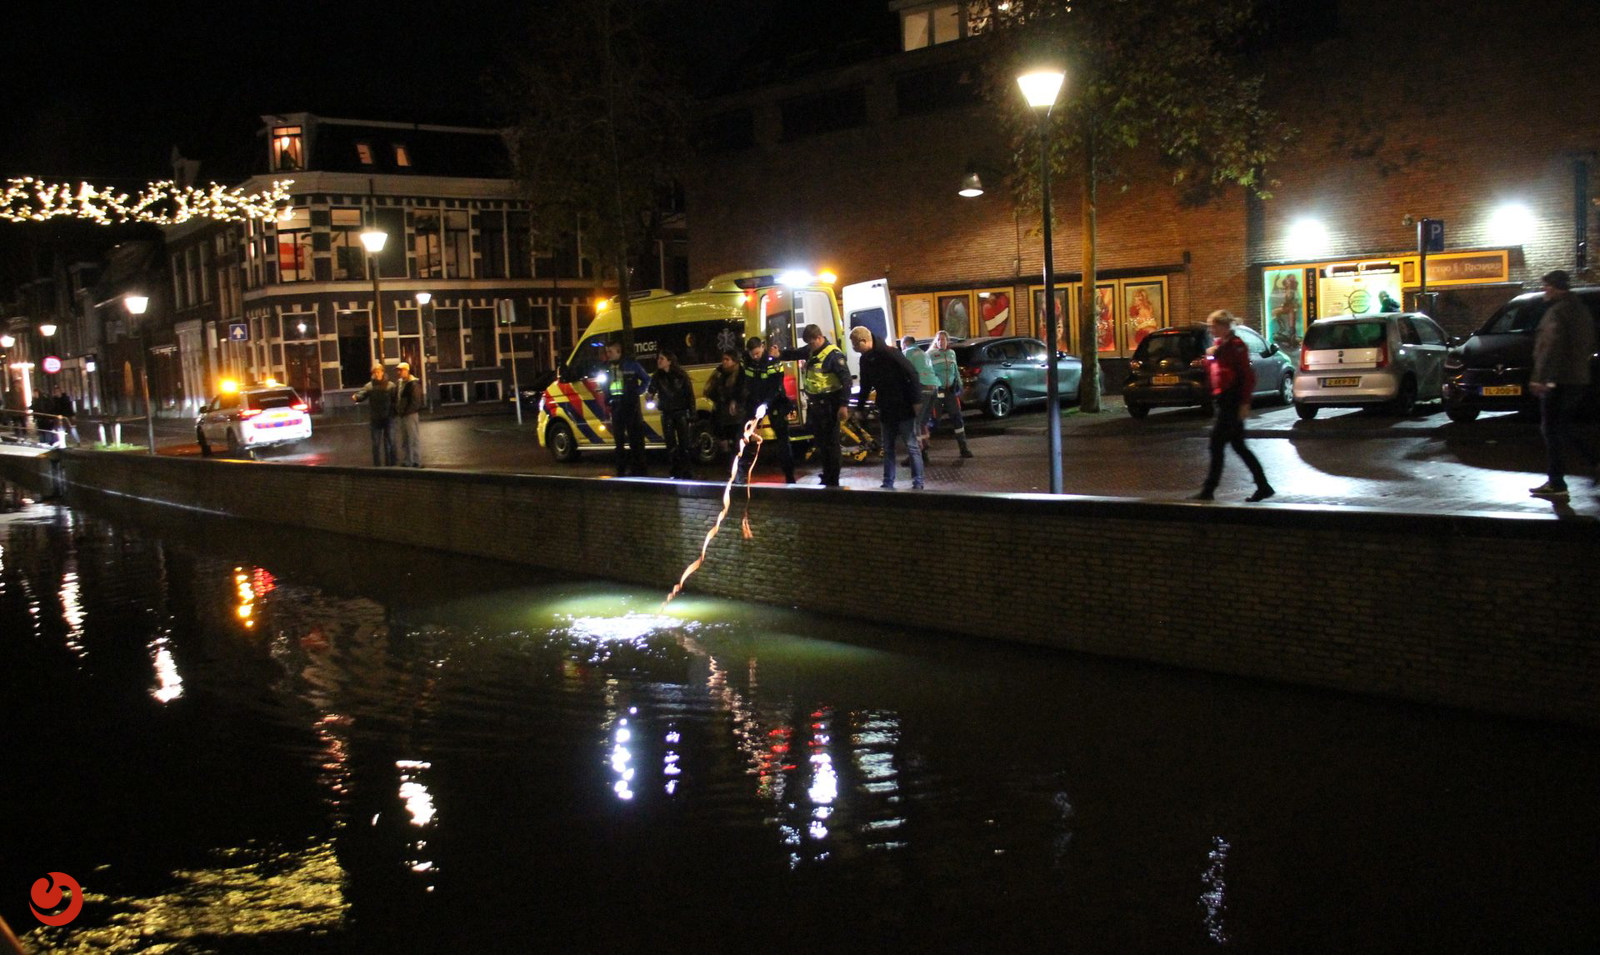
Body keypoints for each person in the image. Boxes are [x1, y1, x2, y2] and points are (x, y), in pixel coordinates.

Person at [1528, 269, 1597, 499]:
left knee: (1551, 428)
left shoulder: (1558, 312)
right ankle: (1593, 461)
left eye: (1546, 287)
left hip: (1557, 380)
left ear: (1555, 287)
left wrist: (1541, 378)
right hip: (1577, 377)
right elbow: (1588, 343)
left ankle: (1557, 482)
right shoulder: (1581, 310)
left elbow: (1550, 348)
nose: (1543, 292)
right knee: (1564, 426)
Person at [1193, 310, 1273, 502]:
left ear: (1224, 326)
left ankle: (1209, 490)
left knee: (1217, 445)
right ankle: (1263, 486)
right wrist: (1208, 358)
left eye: (1213, 326)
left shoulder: (1236, 346)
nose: (1211, 330)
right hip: (1224, 400)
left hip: (1232, 400)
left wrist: (1244, 403)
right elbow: (1214, 369)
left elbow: (1247, 376)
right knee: (1238, 446)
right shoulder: (1220, 346)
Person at [775, 324, 852, 487]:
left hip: (830, 404)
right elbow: (796, 353)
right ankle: (827, 473)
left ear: (819, 338)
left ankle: (833, 479)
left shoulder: (833, 355)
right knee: (821, 441)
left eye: (811, 342)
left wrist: (843, 405)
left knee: (831, 444)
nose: (809, 346)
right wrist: (780, 354)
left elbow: (846, 381)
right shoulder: (812, 350)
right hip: (816, 405)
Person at [850, 326, 924, 490]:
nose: (854, 348)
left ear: (864, 341)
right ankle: (888, 482)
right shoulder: (866, 359)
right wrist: (860, 406)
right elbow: (866, 385)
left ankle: (917, 482)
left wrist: (916, 400)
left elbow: (912, 373)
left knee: (910, 446)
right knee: (890, 447)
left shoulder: (890, 353)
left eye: (855, 344)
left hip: (902, 406)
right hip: (887, 407)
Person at [737, 336, 795, 484]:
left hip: (775, 403)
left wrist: (766, 405)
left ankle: (789, 476)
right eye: (753, 354)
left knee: (783, 439)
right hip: (754, 401)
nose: (756, 356)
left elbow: (776, 388)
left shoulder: (773, 362)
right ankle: (740, 473)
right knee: (744, 434)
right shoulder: (745, 361)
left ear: (762, 347)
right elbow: (742, 380)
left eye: (758, 353)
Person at [600, 341, 650, 477]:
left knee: (634, 439)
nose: (608, 354)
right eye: (607, 352)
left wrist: (636, 392)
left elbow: (646, 379)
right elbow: (604, 384)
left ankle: (638, 468)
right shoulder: (606, 367)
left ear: (618, 351)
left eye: (610, 352)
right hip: (616, 406)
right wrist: (607, 398)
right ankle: (621, 468)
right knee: (619, 440)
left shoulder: (631, 365)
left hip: (629, 406)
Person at [647, 349, 696, 479]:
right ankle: (675, 469)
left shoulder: (681, 376)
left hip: (680, 412)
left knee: (684, 443)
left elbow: (689, 395)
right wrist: (649, 396)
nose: (659, 361)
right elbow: (651, 390)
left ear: (669, 361)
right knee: (670, 444)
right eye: (658, 358)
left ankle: (687, 469)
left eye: (662, 359)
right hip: (667, 412)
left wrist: (692, 413)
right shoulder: (657, 377)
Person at [926, 330, 973, 457]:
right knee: (934, 422)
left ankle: (963, 448)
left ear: (947, 341)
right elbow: (926, 372)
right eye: (939, 339)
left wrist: (960, 385)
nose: (941, 342)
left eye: (943, 339)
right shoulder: (930, 354)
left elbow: (955, 370)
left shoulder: (952, 353)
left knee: (957, 418)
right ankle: (921, 450)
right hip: (937, 392)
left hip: (950, 392)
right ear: (936, 341)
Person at [901, 334, 937, 465]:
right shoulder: (923, 353)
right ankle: (925, 449)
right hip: (933, 388)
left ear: (905, 344)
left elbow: (903, 372)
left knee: (914, 422)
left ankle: (916, 455)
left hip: (921, 388)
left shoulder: (907, 353)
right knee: (923, 421)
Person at [703, 348, 745, 461]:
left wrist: (734, 400)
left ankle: (738, 470)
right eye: (723, 359)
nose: (724, 362)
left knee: (736, 443)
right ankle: (731, 466)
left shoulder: (741, 374)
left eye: (727, 359)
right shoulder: (719, 373)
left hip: (736, 416)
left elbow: (743, 392)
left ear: (734, 361)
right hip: (722, 414)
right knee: (724, 442)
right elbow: (709, 390)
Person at [352, 363, 397, 466]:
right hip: (376, 418)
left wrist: (394, 412)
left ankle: (392, 464)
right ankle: (377, 466)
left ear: (382, 372)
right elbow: (362, 394)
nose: (377, 374)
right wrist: (356, 397)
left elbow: (395, 400)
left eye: (378, 372)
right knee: (376, 444)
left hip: (388, 418)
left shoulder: (391, 386)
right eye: (375, 372)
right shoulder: (370, 386)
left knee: (390, 442)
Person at [393, 362, 425, 467]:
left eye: (401, 370)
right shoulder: (400, 383)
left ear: (407, 371)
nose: (399, 372)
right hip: (403, 414)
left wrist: (406, 411)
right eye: (398, 370)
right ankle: (408, 460)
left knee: (413, 438)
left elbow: (415, 401)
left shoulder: (413, 384)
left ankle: (416, 461)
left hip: (410, 414)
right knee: (405, 439)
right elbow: (397, 398)